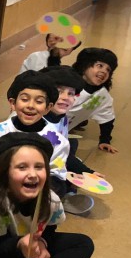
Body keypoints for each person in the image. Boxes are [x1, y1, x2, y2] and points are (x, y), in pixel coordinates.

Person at [37, 66, 97, 215]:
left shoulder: (61, 118)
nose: (65, 97)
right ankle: (60, 198)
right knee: (57, 183)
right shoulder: (39, 125)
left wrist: (86, 172)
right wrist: (77, 172)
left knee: (72, 144)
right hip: (36, 170)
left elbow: (63, 151)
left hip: (52, 159)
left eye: (70, 93)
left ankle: (64, 190)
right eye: (59, 92)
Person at [0, 71, 58, 166]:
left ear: (48, 107)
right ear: (13, 103)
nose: (30, 106)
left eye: (39, 101)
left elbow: (56, 172)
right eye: (24, 99)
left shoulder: (56, 140)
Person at [68, 47, 120, 154]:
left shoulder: (101, 96)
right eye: (100, 65)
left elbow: (107, 118)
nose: (104, 71)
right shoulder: (66, 82)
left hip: (59, 131)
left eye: (108, 70)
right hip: (38, 125)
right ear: (84, 65)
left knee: (72, 145)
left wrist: (105, 140)